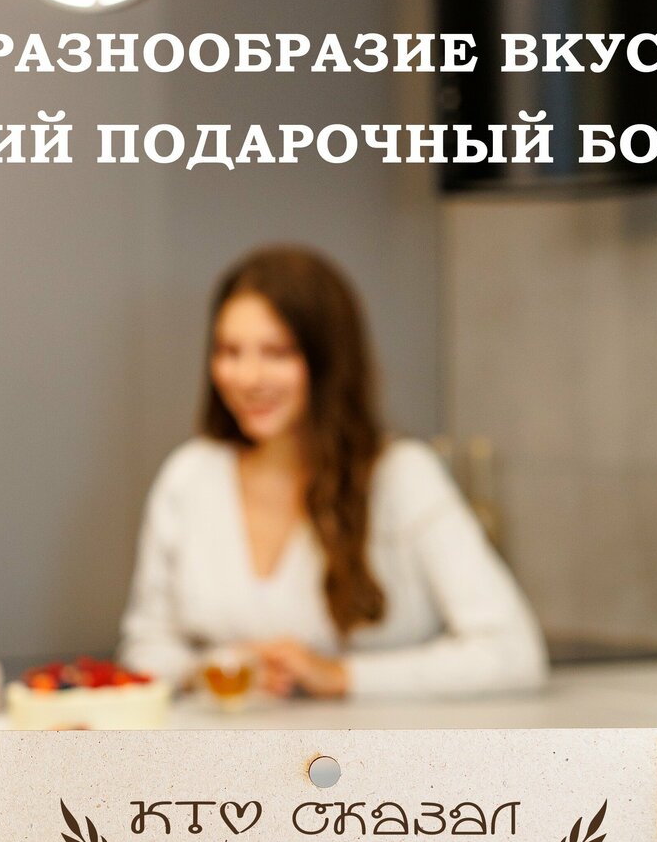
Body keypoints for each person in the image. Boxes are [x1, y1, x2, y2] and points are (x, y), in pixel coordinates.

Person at [119, 245, 548, 698]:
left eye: (276, 352)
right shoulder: (188, 478)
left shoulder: (402, 477)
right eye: (230, 351)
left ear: (327, 361)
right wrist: (216, 670)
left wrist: (341, 676)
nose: (247, 377)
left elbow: (512, 653)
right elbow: (146, 648)